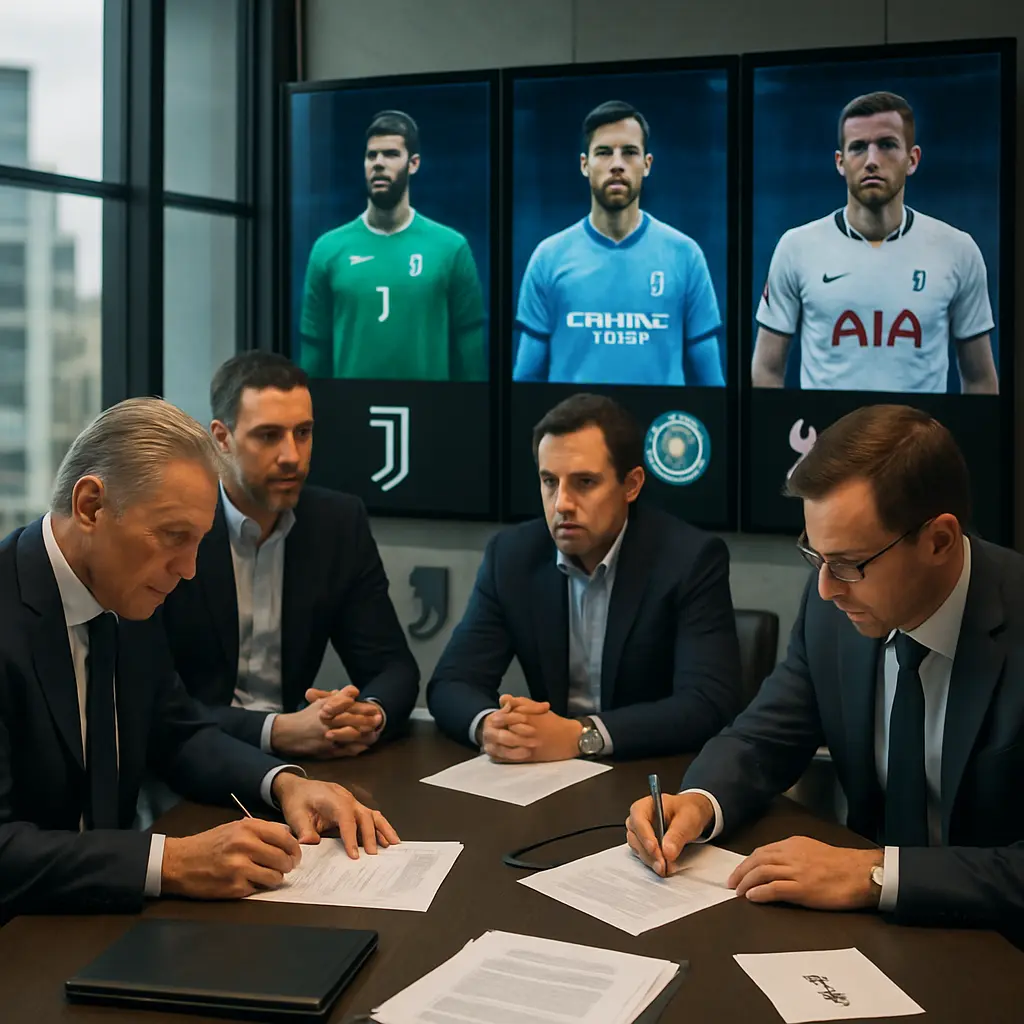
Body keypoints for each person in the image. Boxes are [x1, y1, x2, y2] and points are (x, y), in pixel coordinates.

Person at [626, 405, 1024, 941]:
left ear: (939, 541)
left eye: (849, 564)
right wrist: (699, 803)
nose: (826, 589)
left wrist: (876, 874)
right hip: (865, 935)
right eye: (815, 557)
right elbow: (765, 736)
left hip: (997, 948)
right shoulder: (832, 611)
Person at [0, 398, 399, 923]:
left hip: (106, 922)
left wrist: (285, 784)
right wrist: (170, 862)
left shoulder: (124, 593)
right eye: (174, 537)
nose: (188, 569)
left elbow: (177, 731)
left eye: (198, 541)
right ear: (91, 506)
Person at [427, 393, 740, 761]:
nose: (562, 503)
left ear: (631, 485)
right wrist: (490, 726)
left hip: (651, 769)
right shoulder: (512, 556)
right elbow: (452, 682)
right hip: (548, 774)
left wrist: (582, 735)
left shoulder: (689, 559)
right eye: (549, 481)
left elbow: (707, 703)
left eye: (585, 482)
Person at [161, 352, 419, 760]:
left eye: (303, 432)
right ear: (222, 438)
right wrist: (277, 730)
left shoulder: (337, 523)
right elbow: (153, 701)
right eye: (268, 436)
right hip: (189, 758)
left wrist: (365, 716)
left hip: (300, 755)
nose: (292, 456)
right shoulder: (174, 526)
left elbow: (393, 668)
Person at [751, 91, 998, 394]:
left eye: (886, 145)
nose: (871, 161)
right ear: (840, 162)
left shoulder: (958, 250)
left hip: (917, 427)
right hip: (828, 427)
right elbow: (766, 369)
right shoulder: (796, 248)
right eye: (858, 148)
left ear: (912, 159)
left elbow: (980, 380)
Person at [512, 100, 723, 387]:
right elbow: (525, 382)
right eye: (604, 153)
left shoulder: (685, 255)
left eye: (630, 152)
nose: (617, 164)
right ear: (584, 165)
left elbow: (712, 385)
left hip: (658, 418)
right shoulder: (548, 258)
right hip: (575, 418)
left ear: (647, 164)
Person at [298, 109, 487, 382]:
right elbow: (314, 357)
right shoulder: (327, 250)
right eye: (371, 155)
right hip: (350, 406)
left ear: (413, 164)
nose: (378, 163)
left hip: (430, 406)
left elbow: (470, 359)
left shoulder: (451, 248)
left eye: (390, 154)